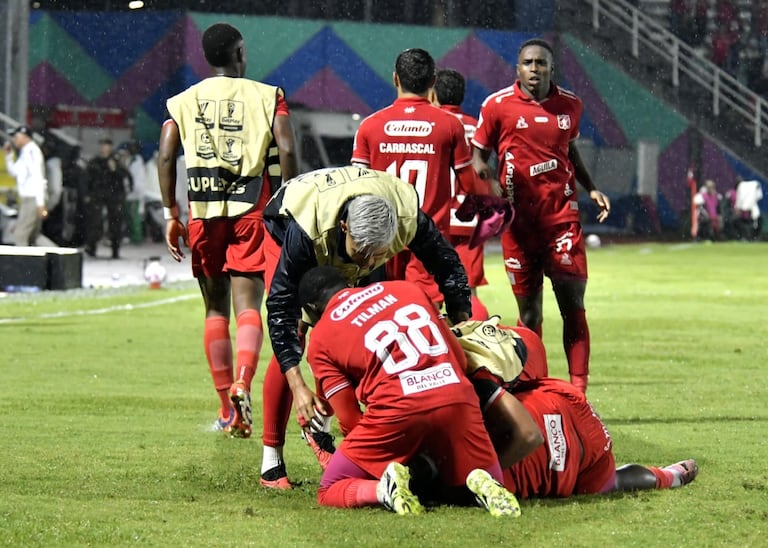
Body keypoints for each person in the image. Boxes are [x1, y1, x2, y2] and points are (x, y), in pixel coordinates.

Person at [261, 165, 471, 489]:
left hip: (359, 229)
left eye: (377, 257)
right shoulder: (306, 228)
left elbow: (448, 265)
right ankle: (271, 461)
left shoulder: (404, 216)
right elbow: (279, 307)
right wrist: (298, 385)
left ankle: (325, 430)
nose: (364, 268)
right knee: (299, 332)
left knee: (360, 332)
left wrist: (462, 320)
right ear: (344, 227)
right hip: (288, 224)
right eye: (362, 255)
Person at [157, 23, 298, 440]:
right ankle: (243, 382)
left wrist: (171, 212)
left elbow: (166, 155)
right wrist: (289, 201)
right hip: (250, 210)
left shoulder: (183, 101)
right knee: (248, 304)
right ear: (239, 52)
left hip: (203, 211)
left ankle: (225, 408)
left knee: (214, 309)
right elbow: (287, 148)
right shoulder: (267, 95)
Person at [298, 265, 520, 517]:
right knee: (468, 475)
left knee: (329, 488)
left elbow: (349, 420)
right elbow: (458, 359)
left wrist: (378, 457)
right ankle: (483, 482)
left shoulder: (321, 337)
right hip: (457, 398)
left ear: (312, 309)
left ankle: (384, 489)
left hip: (397, 411)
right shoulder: (406, 288)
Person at [472, 38, 611, 394]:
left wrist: (591, 186)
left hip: (561, 219)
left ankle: (578, 391)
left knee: (572, 304)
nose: (535, 69)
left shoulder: (570, 105)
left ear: (552, 68)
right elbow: (478, 158)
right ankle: (535, 387)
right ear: (517, 68)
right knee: (530, 314)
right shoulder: (497, 106)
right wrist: (491, 187)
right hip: (518, 226)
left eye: (541, 63)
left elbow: (569, 148)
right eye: (528, 63)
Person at [351, 48, 492, 307]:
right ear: (432, 82)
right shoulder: (449, 125)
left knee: (385, 309)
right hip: (428, 235)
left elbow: (357, 188)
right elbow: (468, 184)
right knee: (425, 313)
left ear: (395, 78)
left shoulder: (370, 126)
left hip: (383, 237)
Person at [430, 67, 491, 320]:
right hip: (470, 221)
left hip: (436, 219)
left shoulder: (431, 124)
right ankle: (476, 354)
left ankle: (431, 354)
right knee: (469, 295)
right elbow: (483, 172)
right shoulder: (477, 128)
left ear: (434, 94)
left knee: (429, 296)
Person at [3, 126, 51, 247]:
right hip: (29, 199)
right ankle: (58, 258)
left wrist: (40, 204)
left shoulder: (32, 152)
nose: (14, 139)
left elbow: (38, 178)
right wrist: (8, 156)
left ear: (24, 136)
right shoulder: (25, 152)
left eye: (16, 136)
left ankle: (22, 264)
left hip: (33, 199)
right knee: (34, 236)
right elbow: (14, 172)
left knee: (20, 234)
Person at [84, 138, 129, 258]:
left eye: (106, 145)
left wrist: (114, 169)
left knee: (115, 223)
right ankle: (91, 247)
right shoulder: (95, 162)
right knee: (95, 222)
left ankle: (115, 250)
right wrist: (87, 194)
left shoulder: (116, 161)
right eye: (102, 145)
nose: (104, 148)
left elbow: (124, 177)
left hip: (113, 196)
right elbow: (88, 179)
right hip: (97, 195)